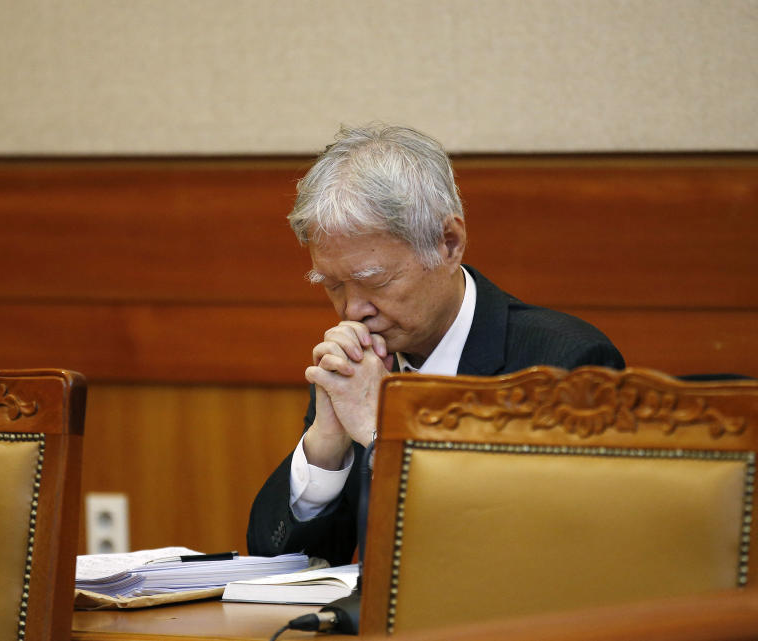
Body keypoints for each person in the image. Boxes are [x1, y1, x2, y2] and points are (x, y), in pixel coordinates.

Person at [247, 124, 624, 566]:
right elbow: (278, 562)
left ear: (449, 243)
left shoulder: (566, 363)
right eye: (332, 285)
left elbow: (533, 552)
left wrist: (380, 433)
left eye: (376, 281)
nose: (352, 310)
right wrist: (326, 445)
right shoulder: (357, 367)